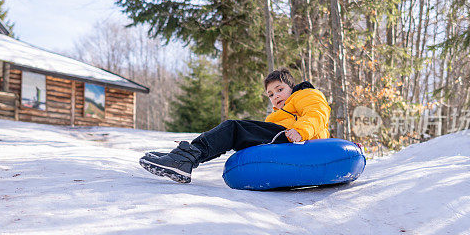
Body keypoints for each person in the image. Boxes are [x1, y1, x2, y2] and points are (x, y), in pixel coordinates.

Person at [139, 68, 331, 183]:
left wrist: (301, 131)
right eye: (271, 94)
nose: (276, 96)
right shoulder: (277, 114)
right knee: (229, 136)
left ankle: (184, 158)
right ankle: (184, 159)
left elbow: (317, 113)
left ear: (292, 87)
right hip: (284, 138)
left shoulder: (305, 94)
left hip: (296, 139)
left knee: (233, 128)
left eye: (280, 90)